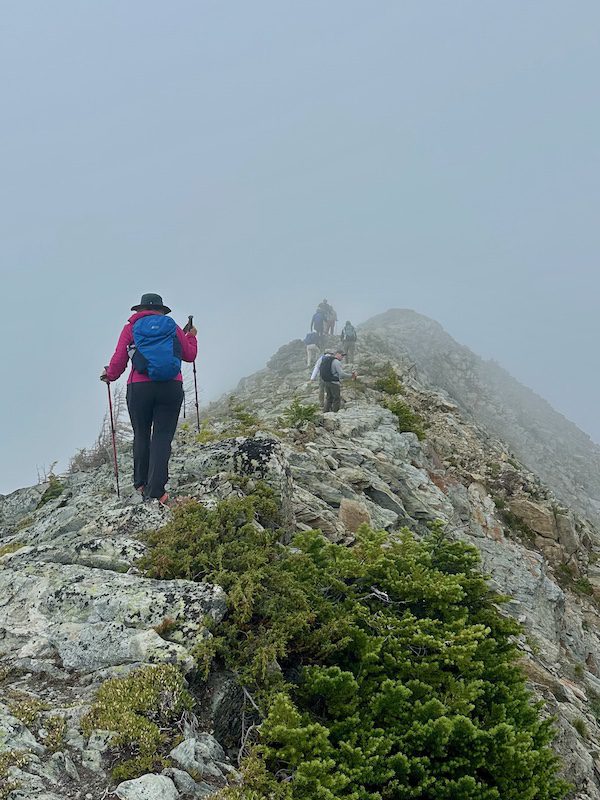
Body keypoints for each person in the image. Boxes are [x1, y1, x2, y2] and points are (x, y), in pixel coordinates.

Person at [100, 293, 197, 505]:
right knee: (162, 436)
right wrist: (191, 336)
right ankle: (157, 491)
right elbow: (189, 355)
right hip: (171, 386)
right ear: (162, 310)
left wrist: (110, 375)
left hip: (139, 387)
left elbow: (119, 359)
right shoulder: (171, 326)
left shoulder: (130, 328)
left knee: (141, 434)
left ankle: (141, 483)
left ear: (139, 310)